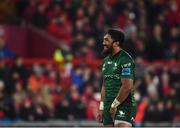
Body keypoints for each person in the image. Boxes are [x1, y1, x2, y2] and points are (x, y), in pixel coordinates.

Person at [96, 28, 136, 127]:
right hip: (108, 104)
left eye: (106, 40)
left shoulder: (125, 59)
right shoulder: (105, 61)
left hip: (124, 104)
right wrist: (101, 107)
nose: (103, 43)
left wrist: (114, 105)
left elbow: (127, 86)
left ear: (116, 43)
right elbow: (104, 86)